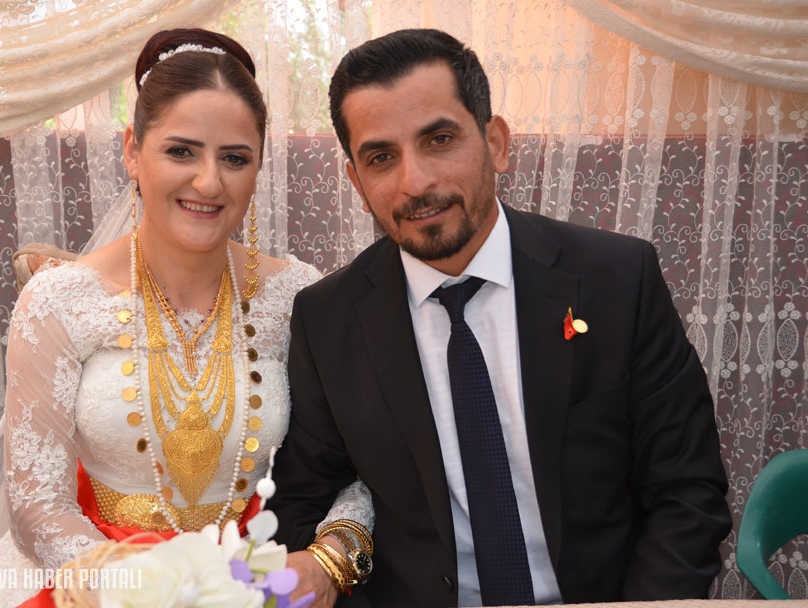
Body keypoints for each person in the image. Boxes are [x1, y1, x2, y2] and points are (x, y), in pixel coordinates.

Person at [268, 28, 732, 607]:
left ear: (496, 143)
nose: (416, 182)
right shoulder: (327, 319)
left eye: (439, 140)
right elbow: (305, 500)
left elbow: (686, 491)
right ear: (357, 184)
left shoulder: (616, 280)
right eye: (381, 158)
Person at [0, 28, 372, 608]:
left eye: (235, 158)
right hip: (100, 576)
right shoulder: (58, 302)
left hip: (259, 573)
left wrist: (330, 558)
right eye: (181, 151)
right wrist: (150, 590)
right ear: (133, 149)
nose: (209, 181)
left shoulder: (297, 298)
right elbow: (37, 505)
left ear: (258, 168)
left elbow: (359, 467)